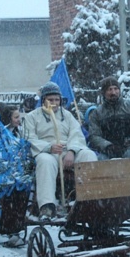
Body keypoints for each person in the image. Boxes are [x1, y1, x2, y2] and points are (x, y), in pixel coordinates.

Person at [25, 82, 98, 219]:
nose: (54, 103)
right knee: (44, 161)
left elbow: (76, 135)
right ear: (43, 100)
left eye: (57, 99)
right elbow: (29, 138)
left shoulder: (68, 115)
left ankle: (89, 199)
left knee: (88, 154)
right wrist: (48, 147)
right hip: (47, 151)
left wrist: (72, 151)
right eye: (50, 100)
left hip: (68, 149)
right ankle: (47, 206)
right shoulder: (32, 117)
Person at [88, 76, 130, 160]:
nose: (113, 92)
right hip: (107, 152)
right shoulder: (97, 113)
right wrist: (108, 146)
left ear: (119, 90)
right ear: (104, 92)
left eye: (115, 88)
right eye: (109, 89)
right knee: (101, 160)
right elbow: (94, 136)